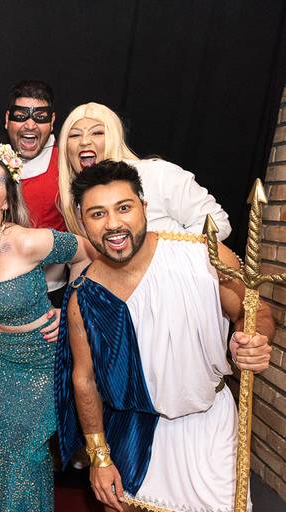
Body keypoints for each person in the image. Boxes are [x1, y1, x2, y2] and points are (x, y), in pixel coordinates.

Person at [56, 160, 273, 512]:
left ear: (144, 207)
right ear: (82, 221)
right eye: (97, 214)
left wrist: (254, 339)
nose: (113, 224)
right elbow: (84, 379)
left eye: (123, 208)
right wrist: (99, 457)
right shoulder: (84, 296)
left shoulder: (202, 257)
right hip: (131, 431)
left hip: (208, 429)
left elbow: (254, 311)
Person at [0, 143, 95, 511]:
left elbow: (88, 252)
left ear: (6, 201)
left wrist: (71, 311)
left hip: (44, 363)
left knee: (20, 458)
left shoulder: (26, 241)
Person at [57, 102, 232, 240]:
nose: (84, 141)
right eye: (74, 135)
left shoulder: (157, 174)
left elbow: (217, 223)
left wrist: (164, 257)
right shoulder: (75, 199)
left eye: (97, 133)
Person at [4, 80, 69, 307]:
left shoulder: (67, 164)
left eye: (40, 117)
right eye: (21, 116)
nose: (30, 124)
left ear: (52, 121)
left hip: (51, 294)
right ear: (7, 120)